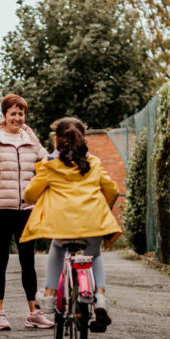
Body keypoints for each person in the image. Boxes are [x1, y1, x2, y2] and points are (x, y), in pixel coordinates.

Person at [20, 117, 121, 328]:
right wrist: (106, 206)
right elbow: (111, 189)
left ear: (58, 140)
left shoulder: (51, 165)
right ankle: (100, 296)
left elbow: (30, 193)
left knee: (57, 248)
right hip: (93, 223)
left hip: (62, 226)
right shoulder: (93, 163)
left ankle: (48, 295)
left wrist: (33, 199)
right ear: (83, 139)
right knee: (95, 254)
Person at [0, 94, 52, 330]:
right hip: (0, 210)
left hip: (26, 211)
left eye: (21, 113)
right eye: (13, 113)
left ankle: (34, 313)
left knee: (28, 262)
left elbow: (48, 164)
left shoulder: (31, 140)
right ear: (4, 115)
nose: (17, 118)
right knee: (0, 261)